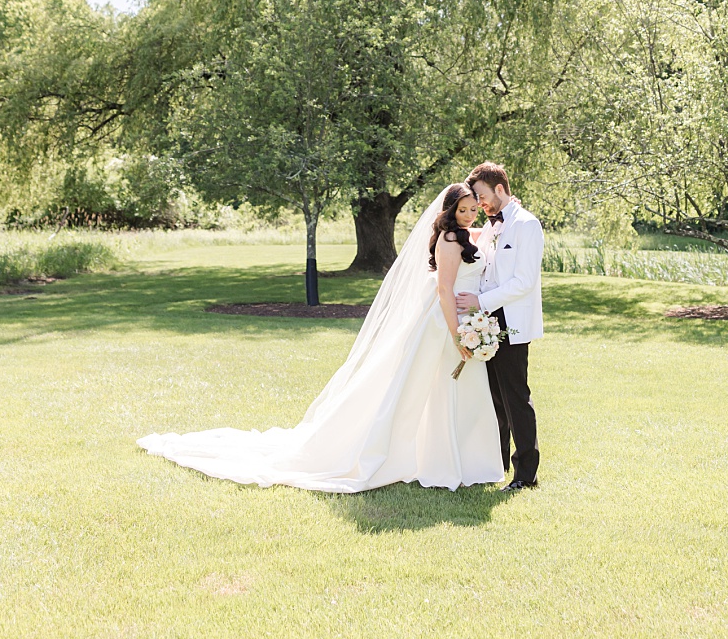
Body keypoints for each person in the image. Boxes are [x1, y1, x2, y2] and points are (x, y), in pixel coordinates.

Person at [137, 182, 504, 492]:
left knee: (452, 391)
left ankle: (462, 462)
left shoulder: (465, 234)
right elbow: (443, 289)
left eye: (474, 210)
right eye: (464, 210)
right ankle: (438, 463)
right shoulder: (450, 240)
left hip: (463, 319)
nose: (470, 216)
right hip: (445, 323)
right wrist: (458, 334)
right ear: (450, 211)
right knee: (429, 390)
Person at [456, 162, 543, 491]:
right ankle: (496, 466)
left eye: (482, 196)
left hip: (512, 322)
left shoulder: (527, 225)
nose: (480, 205)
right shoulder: (493, 227)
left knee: (515, 397)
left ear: (500, 189)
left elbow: (524, 281)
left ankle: (526, 475)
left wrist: (481, 302)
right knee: (493, 398)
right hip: (488, 322)